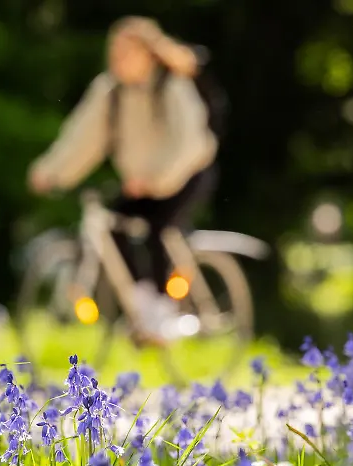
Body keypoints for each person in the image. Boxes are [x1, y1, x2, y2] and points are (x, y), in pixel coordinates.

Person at [27, 16, 220, 344]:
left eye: (126, 53)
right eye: (114, 53)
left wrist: (156, 180)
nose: (118, 60)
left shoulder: (172, 86)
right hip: (139, 182)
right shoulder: (110, 92)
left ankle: (164, 309)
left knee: (159, 230)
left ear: (148, 55)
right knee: (114, 227)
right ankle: (144, 305)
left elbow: (189, 143)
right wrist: (51, 171)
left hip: (186, 173)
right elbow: (82, 139)